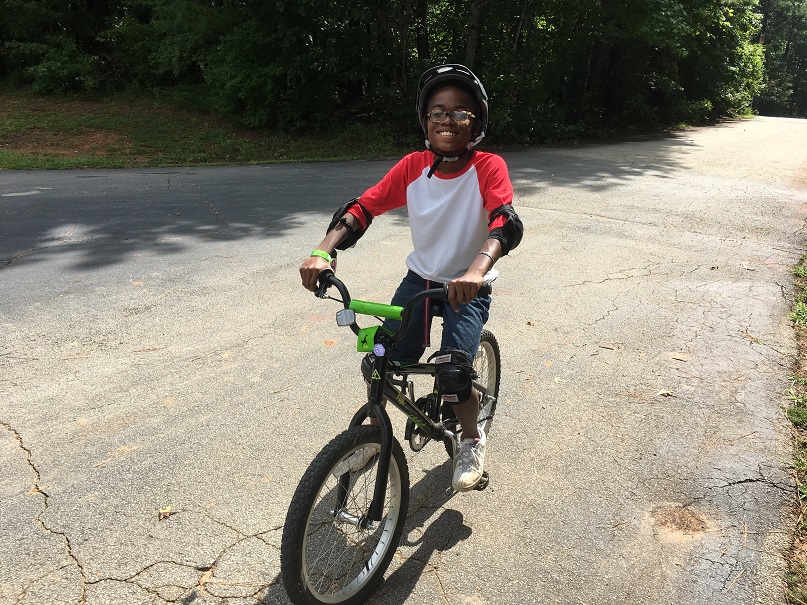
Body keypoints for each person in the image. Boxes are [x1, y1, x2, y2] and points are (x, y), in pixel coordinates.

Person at [300, 64, 523, 492]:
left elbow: (504, 220)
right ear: (425, 120)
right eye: (438, 111)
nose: (449, 120)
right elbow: (362, 208)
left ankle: (471, 440)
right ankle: (373, 440)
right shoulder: (414, 167)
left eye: (462, 112)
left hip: (466, 286)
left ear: (476, 122)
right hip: (420, 279)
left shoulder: (488, 167)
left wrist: (477, 270)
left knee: (454, 371)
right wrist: (321, 252)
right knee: (382, 356)